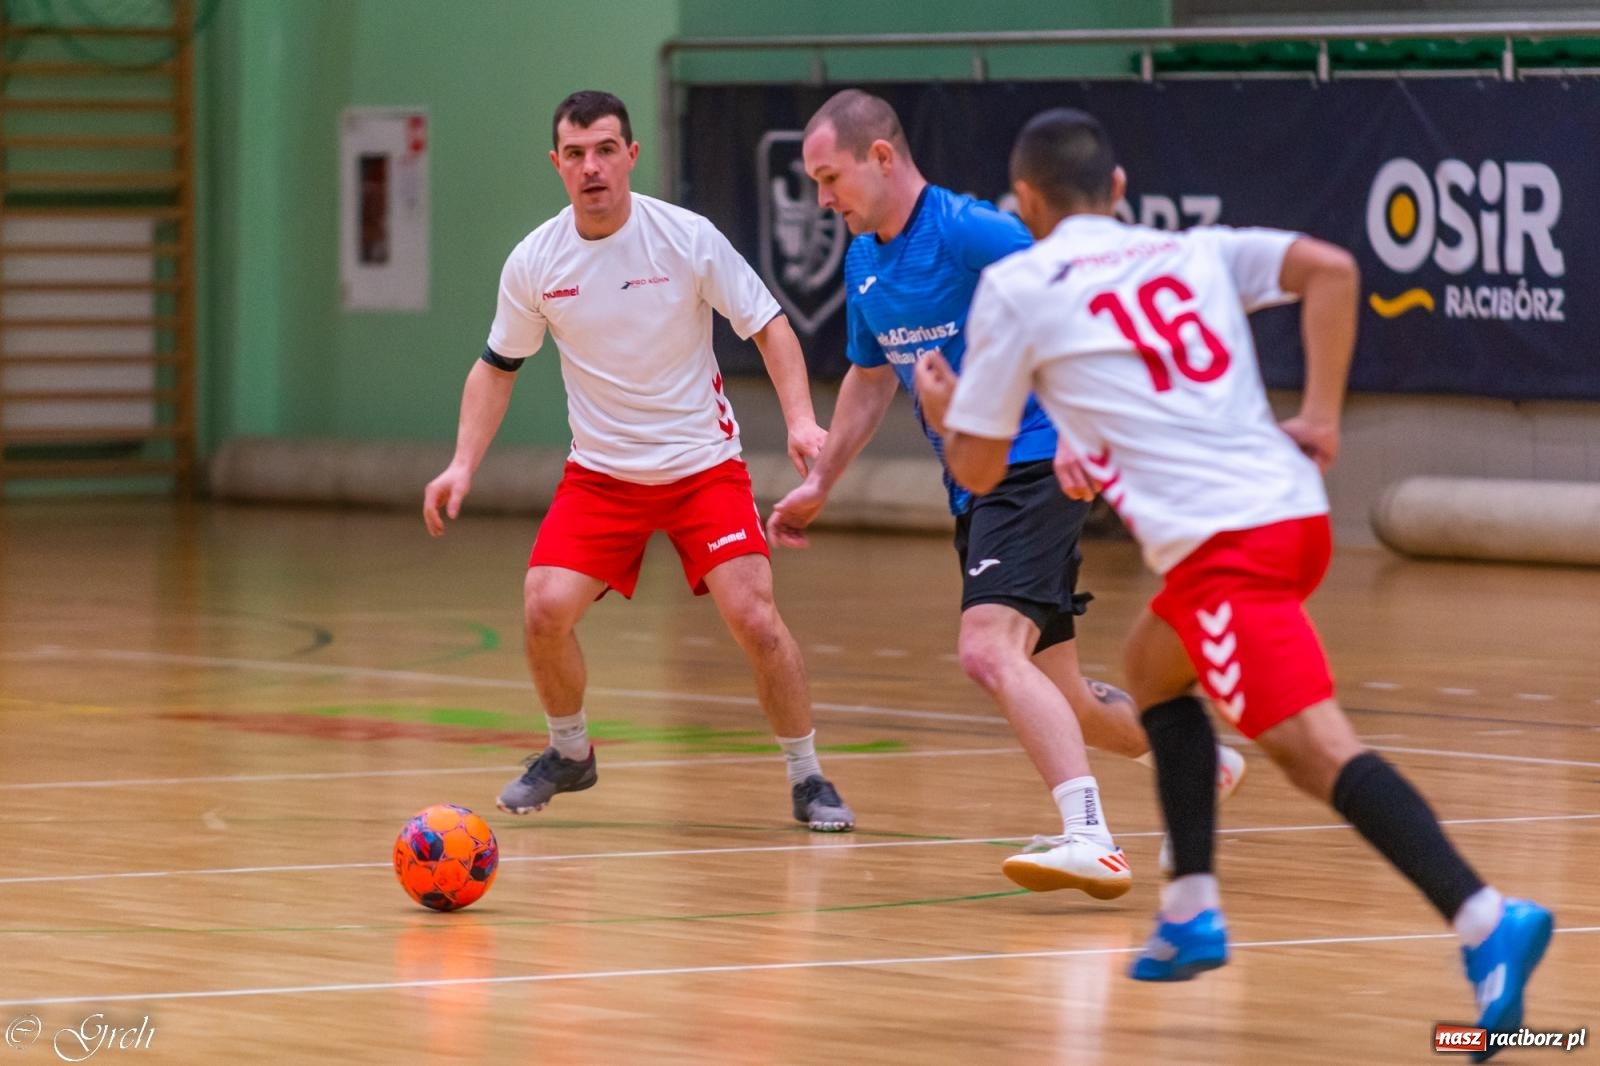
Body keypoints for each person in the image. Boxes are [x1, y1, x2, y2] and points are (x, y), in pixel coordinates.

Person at [916, 106, 1550, 1056]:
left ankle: (1485, 919)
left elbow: (974, 469)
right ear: (1120, 191)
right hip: (1289, 513)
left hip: (1228, 549)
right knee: (1154, 668)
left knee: (1313, 752)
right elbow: (1330, 270)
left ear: (1028, 204)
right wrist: (1324, 417)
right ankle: (1191, 910)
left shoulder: (1017, 282)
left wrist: (944, 405)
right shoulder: (1194, 251)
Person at [767, 89, 1244, 899]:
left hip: (1035, 463)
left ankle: (1089, 835)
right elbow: (871, 374)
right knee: (1061, 694)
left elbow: (1083, 296)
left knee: (987, 647)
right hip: (976, 484)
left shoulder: (968, 231)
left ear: (881, 157)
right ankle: (1197, 761)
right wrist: (821, 479)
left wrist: (1090, 431)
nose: (822, 199)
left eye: (829, 176)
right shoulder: (865, 259)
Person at [423, 90, 855, 832]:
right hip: (602, 476)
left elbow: (771, 326)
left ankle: (807, 775)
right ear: (556, 164)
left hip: (703, 468)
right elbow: (496, 366)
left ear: (630, 155)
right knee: (543, 608)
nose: (592, 167)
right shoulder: (536, 260)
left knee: (754, 618)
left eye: (605, 150)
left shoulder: (686, 238)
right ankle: (570, 753)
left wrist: (800, 421)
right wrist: (463, 463)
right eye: (576, 154)